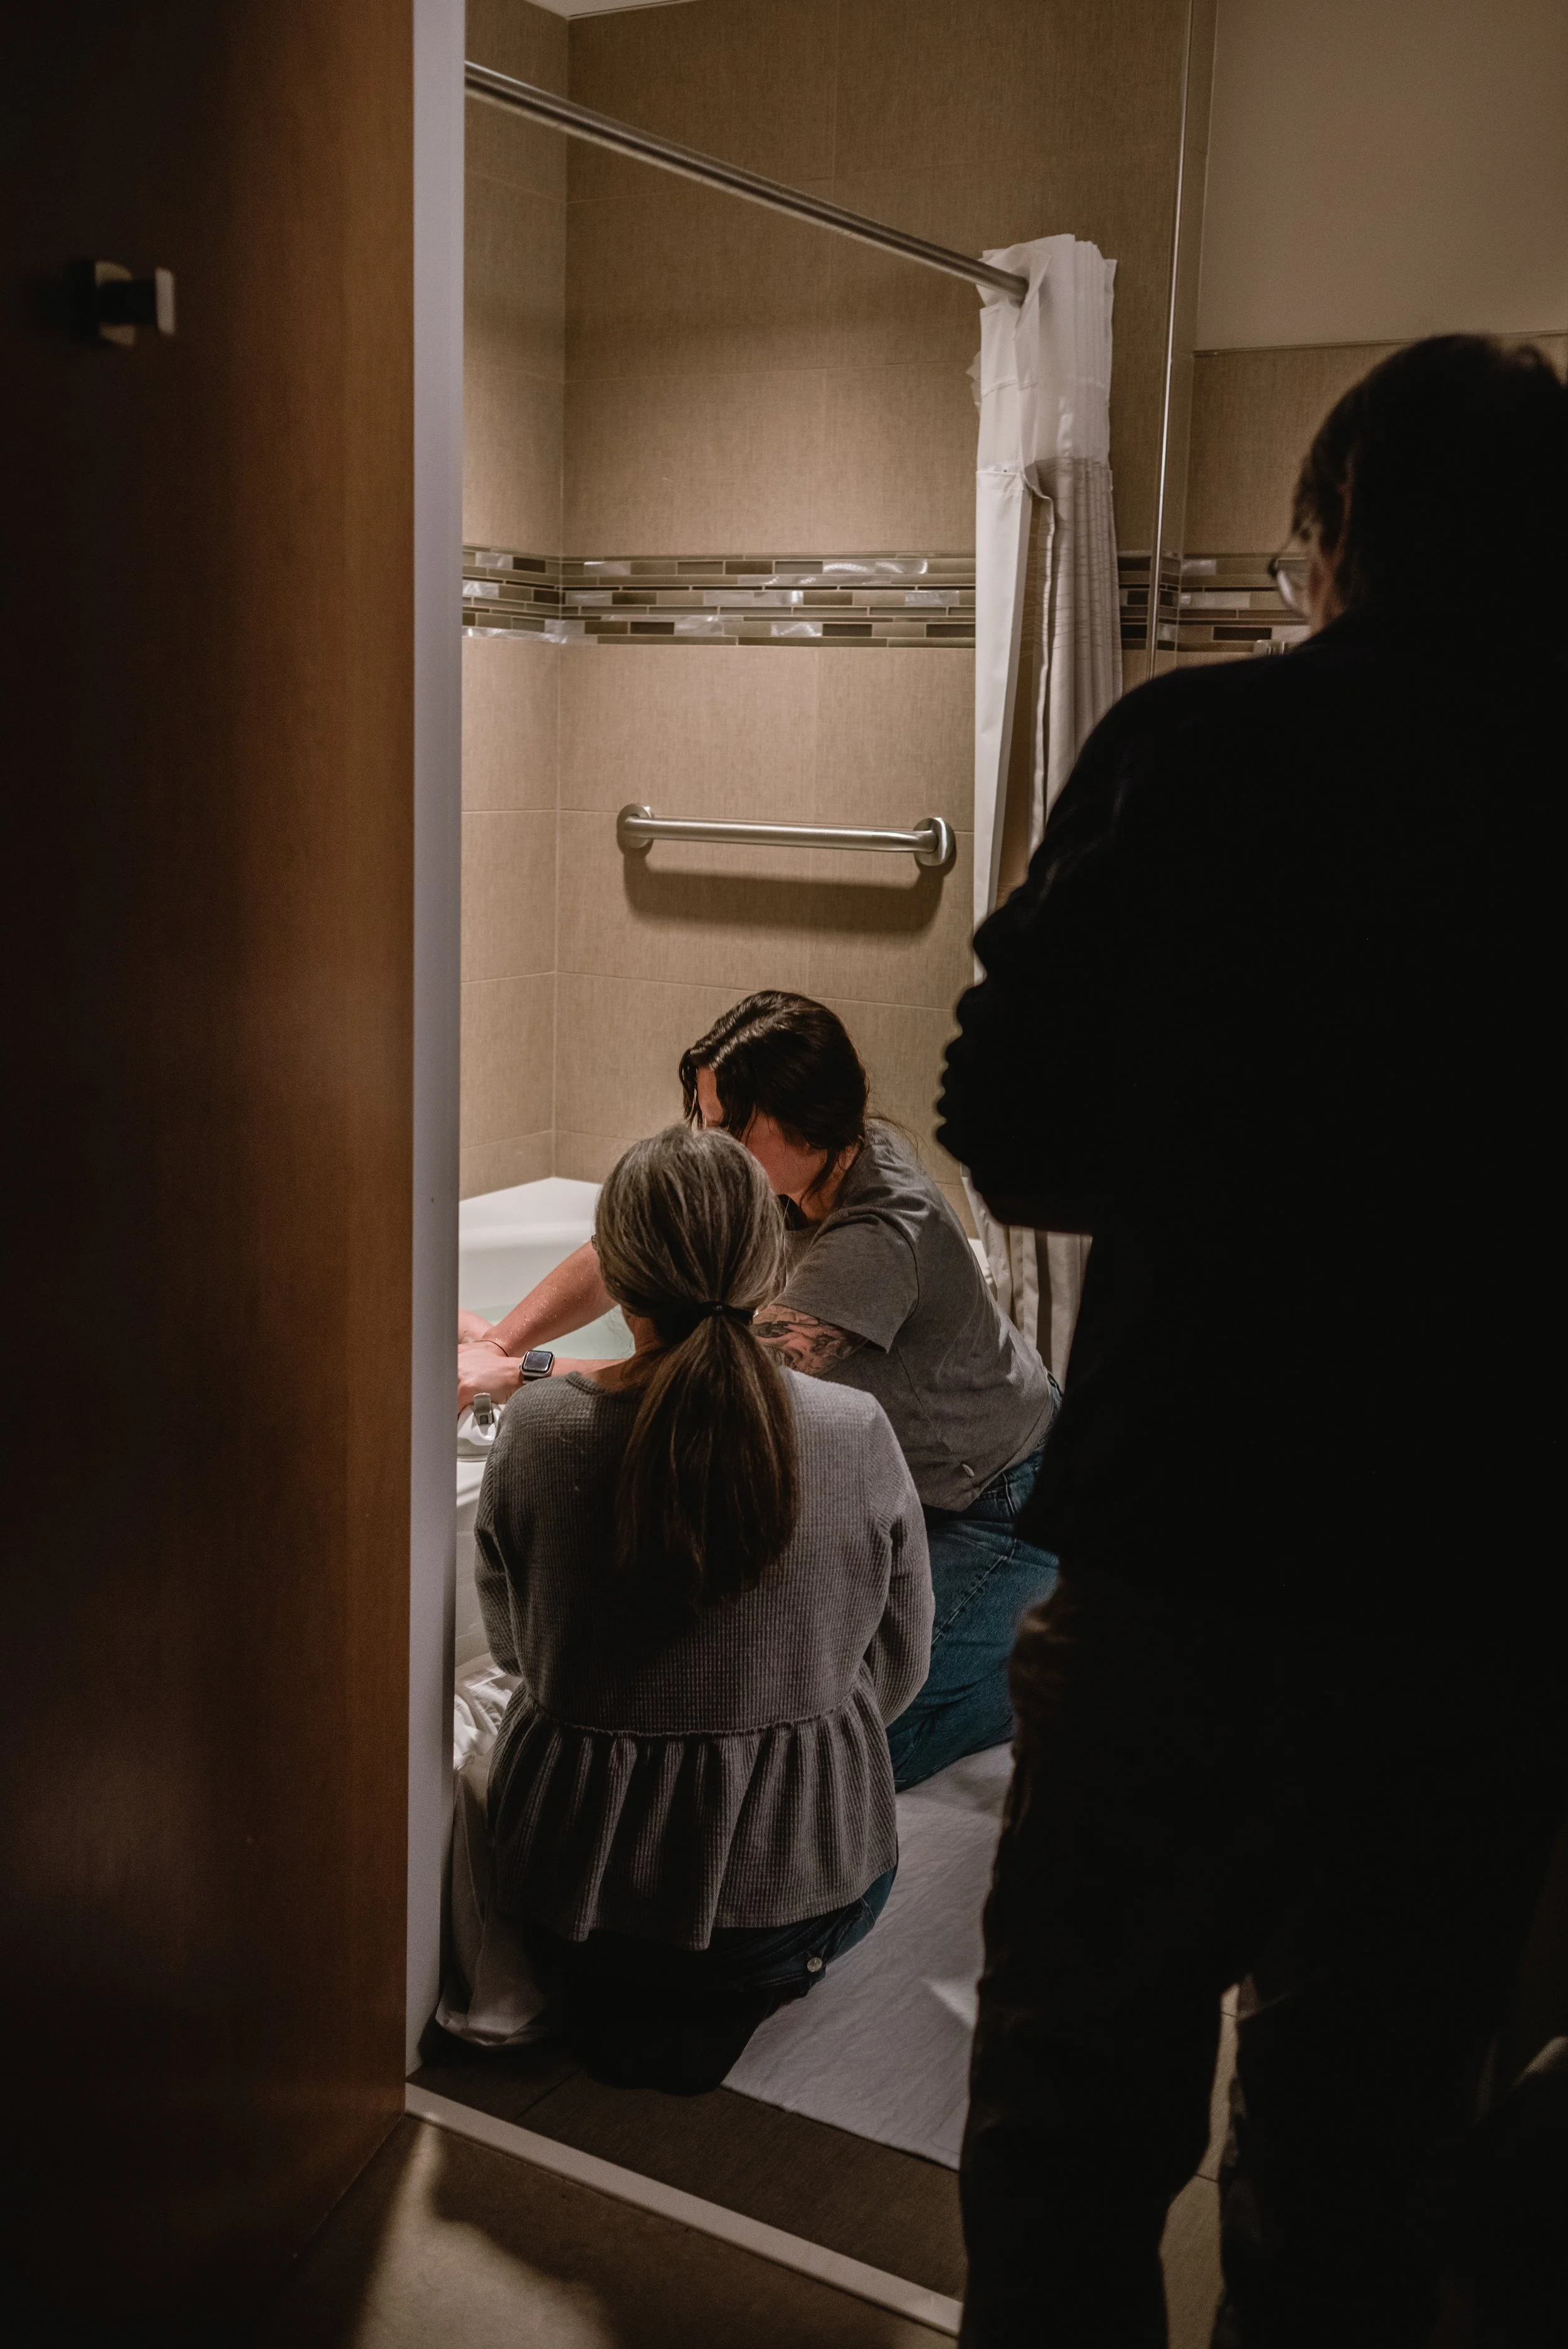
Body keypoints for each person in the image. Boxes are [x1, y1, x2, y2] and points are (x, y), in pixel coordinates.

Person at [938, 334, 1568, 2348]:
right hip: (1480, 1616)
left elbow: (1006, 1128)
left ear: (1336, 527)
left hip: (1181, 1569)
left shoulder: (1194, 750)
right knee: (1350, 2182)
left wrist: (1222, 1157)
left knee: (1066, 2130)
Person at [462, 991, 1060, 1788]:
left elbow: (711, 1374)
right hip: (919, 1485)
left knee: (845, 1754)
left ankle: (1032, 1659)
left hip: (997, 1505)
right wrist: (500, 1341)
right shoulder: (806, 1161)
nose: (712, 1142)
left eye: (731, 1125)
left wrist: (519, 1374)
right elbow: (637, 1240)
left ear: (804, 1121)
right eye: (707, 1118)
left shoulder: (881, 1236)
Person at [473, 1123, 931, 2094]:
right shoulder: (854, 1430)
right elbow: (900, 1663)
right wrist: (788, 1722)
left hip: (574, 1909)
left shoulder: (541, 1429)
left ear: (617, 1278)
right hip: (792, 1915)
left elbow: (518, 1652)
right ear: (771, 1265)